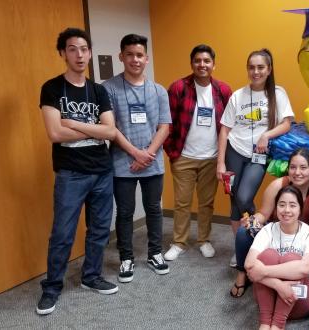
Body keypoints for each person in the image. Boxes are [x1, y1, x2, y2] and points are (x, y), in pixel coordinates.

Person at [36, 28, 118, 315]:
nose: (79, 54)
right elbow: (55, 133)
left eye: (84, 49)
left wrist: (74, 123)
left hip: (101, 171)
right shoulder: (52, 88)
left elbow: (110, 131)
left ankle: (91, 276)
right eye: (72, 49)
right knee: (62, 233)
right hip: (71, 173)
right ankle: (52, 287)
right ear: (63, 53)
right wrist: (91, 130)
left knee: (98, 230)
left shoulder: (99, 90)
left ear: (90, 53)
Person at [102, 34, 172, 283]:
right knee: (125, 211)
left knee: (154, 209)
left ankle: (155, 253)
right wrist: (135, 153)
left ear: (147, 58)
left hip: (152, 160)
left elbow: (164, 126)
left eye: (139, 55)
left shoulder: (158, 90)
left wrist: (147, 154)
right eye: (130, 54)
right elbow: (110, 128)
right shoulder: (108, 88)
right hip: (123, 162)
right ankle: (126, 257)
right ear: (121, 56)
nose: (135, 59)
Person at [217, 48, 294, 266]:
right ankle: (240, 246)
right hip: (235, 150)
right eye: (251, 67)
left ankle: (259, 237)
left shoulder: (278, 94)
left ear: (269, 70)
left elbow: (287, 122)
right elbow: (224, 130)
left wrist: (266, 135)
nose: (256, 71)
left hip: (258, 155)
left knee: (243, 197)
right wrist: (221, 163)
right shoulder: (237, 96)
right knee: (234, 201)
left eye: (260, 67)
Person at [163, 44, 232, 261]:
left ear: (213, 64)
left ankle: (204, 240)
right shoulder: (178, 88)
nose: (202, 65)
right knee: (182, 202)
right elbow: (166, 122)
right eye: (197, 61)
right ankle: (179, 242)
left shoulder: (223, 90)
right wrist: (172, 152)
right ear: (192, 63)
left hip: (211, 158)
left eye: (206, 61)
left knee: (206, 203)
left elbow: (229, 125)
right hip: (184, 157)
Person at [230, 148, 309, 297]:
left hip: (299, 241)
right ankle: (242, 273)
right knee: (244, 232)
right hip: (275, 234)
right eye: (293, 167)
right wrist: (253, 220)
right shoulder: (278, 185)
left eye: (303, 167)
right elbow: (264, 214)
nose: (297, 172)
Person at [245, 185, 309, 330]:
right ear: (275, 207)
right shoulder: (268, 230)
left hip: (301, 299)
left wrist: (264, 271)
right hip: (269, 298)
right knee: (268, 255)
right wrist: (279, 286)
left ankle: (277, 326)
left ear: (300, 208)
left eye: (292, 205)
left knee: (292, 258)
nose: (286, 210)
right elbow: (249, 264)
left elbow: (305, 268)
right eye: (282, 205)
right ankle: (265, 324)